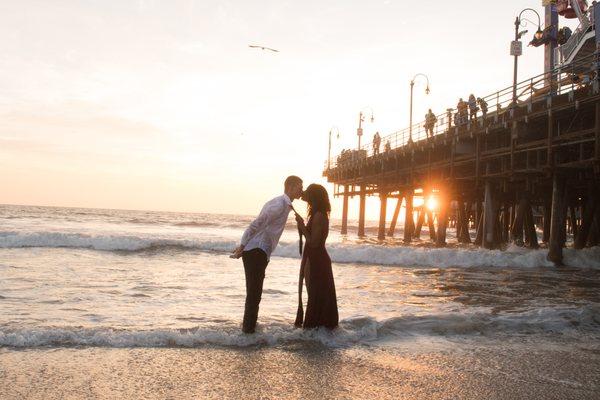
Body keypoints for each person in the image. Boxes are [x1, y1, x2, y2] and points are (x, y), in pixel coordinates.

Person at [231, 175, 304, 333]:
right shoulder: (278, 205)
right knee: (254, 294)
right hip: (255, 250)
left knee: (255, 293)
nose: (302, 190)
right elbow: (256, 224)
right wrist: (242, 246)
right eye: (300, 187)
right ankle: (248, 332)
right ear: (290, 187)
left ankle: (249, 328)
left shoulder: (286, 205)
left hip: (260, 251)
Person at [294, 184, 339, 330]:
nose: (304, 192)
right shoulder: (317, 214)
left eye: (308, 191)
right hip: (314, 258)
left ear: (314, 196)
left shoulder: (319, 215)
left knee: (314, 295)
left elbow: (313, 243)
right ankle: (318, 330)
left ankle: (314, 330)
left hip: (317, 260)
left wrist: (301, 226)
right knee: (315, 295)